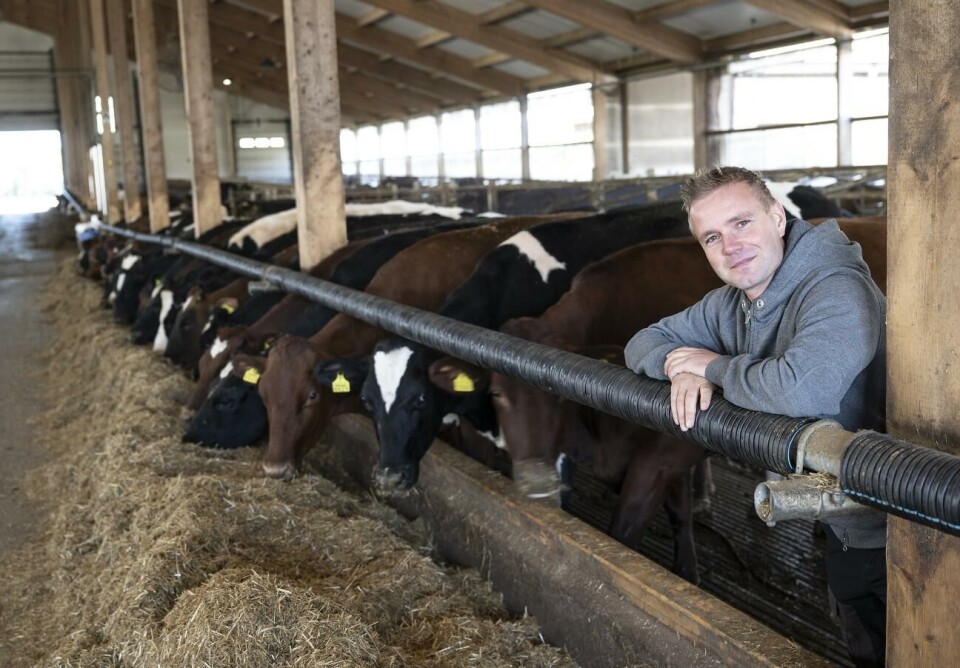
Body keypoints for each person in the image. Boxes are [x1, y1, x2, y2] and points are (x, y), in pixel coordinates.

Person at [624, 166, 887, 667]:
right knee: (864, 640)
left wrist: (714, 366)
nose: (730, 247)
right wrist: (678, 368)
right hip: (842, 514)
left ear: (777, 216)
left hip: (907, 523)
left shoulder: (835, 287)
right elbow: (643, 339)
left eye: (742, 223)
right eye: (712, 237)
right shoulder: (732, 303)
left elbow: (803, 388)